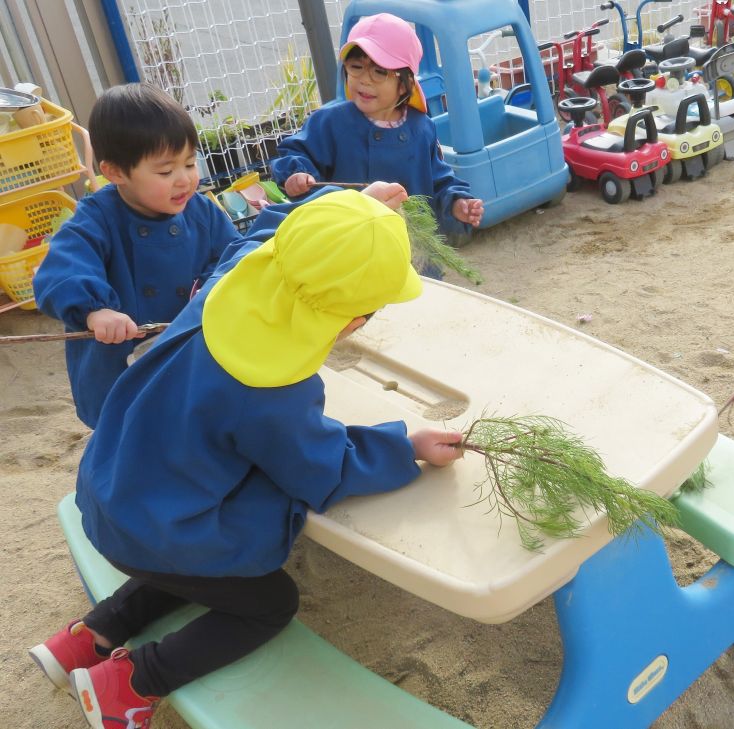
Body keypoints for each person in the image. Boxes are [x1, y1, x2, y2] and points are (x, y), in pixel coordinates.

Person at [28, 186, 464, 728]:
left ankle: (88, 637)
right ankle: (132, 681)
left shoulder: (232, 274)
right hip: (156, 528)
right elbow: (323, 467)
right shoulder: (271, 387)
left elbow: (271, 229)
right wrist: (407, 447)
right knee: (268, 601)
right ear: (350, 321)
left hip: (111, 486)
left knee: (184, 558)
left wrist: (353, 204)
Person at [33, 82, 241, 429]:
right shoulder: (97, 218)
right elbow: (62, 270)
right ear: (115, 173)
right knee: (130, 432)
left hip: (191, 353)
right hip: (119, 365)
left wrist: (212, 287)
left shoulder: (202, 212)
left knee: (197, 422)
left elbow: (235, 257)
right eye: (165, 171)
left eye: (189, 163)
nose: (184, 180)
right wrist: (94, 310)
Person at [270, 12, 484, 237]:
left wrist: (456, 203)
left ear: (405, 84)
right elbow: (296, 151)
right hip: (346, 236)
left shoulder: (421, 129)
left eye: (379, 71)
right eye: (356, 67)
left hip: (410, 240)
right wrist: (297, 174)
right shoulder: (331, 121)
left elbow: (439, 181)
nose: (365, 79)